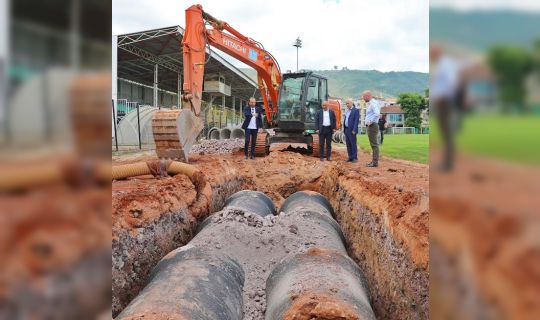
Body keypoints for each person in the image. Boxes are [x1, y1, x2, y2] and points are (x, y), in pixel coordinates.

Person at [430, 44, 459, 171]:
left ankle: (448, 164)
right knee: (445, 133)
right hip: (442, 102)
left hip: (444, 102)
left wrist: (442, 97)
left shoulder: (445, 64)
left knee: (447, 133)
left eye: (432, 53)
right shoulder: (442, 64)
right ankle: (447, 163)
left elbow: (451, 82)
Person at [363, 91, 380, 167]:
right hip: (372, 125)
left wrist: (371, 121)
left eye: (364, 97)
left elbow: (377, 113)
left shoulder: (373, 103)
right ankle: (374, 161)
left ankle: (375, 162)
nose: (363, 98)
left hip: (372, 125)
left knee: (374, 144)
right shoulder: (372, 103)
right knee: (373, 144)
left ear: (368, 96)